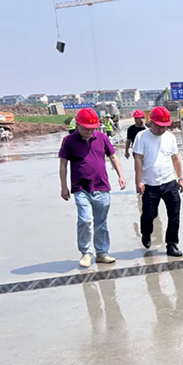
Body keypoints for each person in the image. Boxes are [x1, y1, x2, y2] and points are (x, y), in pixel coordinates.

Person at [59, 107, 127, 268]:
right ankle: (86, 252)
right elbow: (63, 164)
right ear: (77, 125)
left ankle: (102, 253)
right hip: (81, 187)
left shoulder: (102, 137)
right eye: (85, 129)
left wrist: (121, 175)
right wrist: (63, 186)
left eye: (92, 129)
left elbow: (113, 157)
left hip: (101, 186)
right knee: (85, 220)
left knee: (101, 222)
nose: (89, 132)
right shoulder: (69, 141)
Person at [133, 106, 183, 258]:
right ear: (151, 122)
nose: (162, 130)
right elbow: (138, 159)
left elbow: (175, 158)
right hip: (150, 184)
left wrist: (180, 178)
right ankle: (146, 233)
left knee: (174, 214)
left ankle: (172, 244)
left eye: (165, 127)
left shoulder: (170, 137)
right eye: (159, 126)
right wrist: (139, 181)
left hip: (169, 182)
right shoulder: (142, 137)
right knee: (149, 214)